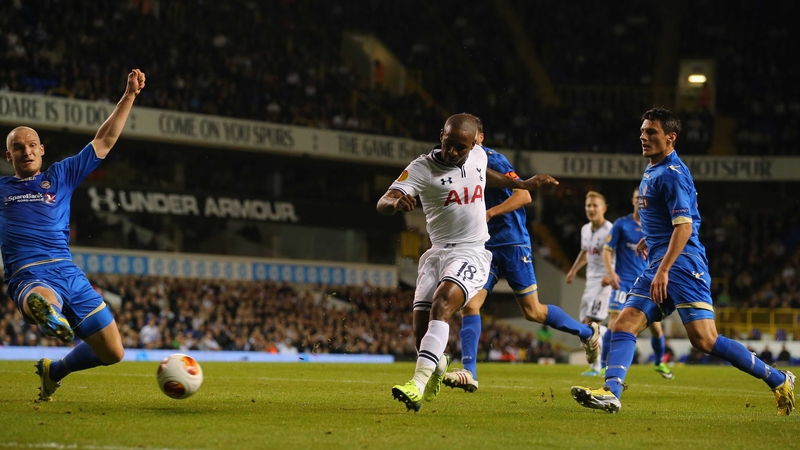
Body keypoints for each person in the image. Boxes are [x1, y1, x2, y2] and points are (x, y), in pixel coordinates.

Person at [571, 107, 795, 415]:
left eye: (652, 132)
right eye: (642, 131)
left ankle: (779, 378)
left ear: (670, 138)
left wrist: (663, 268)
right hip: (660, 261)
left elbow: (685, 226)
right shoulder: (654, 169)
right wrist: (651, 237)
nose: (643, 136)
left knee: (705, 340)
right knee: (624, 323)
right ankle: (611, 392)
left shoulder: (672, 174)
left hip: (683, 265)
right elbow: (673, 217)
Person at [376, 113, 568, 412]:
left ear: (472, 145)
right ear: (442, 135)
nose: (453, 152)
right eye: (449, 144)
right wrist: (395, 202)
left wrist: (524, 183)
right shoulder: (421, 168)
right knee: (420, 334)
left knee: (443, 304)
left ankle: (416, 385)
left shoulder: (476, 155)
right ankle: (438, 368)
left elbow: (484, 174)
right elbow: (384, 200)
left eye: (460, 148)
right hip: (437, 253)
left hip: (473, 252)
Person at [2, 69, 146, 402]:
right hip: (29, 273)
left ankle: (55, 372)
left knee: (114, 353)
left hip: (69, 272)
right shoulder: (1, 190)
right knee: (38, 297)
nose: (26, 151)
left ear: (42, 149)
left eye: (31, 145)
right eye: (17, 148)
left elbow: (104, 140)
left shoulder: (61, 176)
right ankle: (46, 311)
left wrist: (128, 96)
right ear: (8, 156)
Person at [443, 116, 600, 392]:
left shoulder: (494, 160)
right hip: (484, 247)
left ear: (479, 138)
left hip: (513, 244)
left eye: (473, 136)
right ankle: (469, 371)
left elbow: (524, 196)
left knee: (534, 312)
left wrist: (490, 213)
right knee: (471, 304)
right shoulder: (461, 166)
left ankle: (589, 333)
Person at [600, 188, 674, 379]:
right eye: (636, 199)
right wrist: (611, 273)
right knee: (614, 321)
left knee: (656, 328)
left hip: (646, 283)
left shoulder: (652, 226)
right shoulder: (621, 225)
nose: (640, 202)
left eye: (643, 199)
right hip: (623, 282)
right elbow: (607, 250)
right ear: (633, 201)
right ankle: (602, 365)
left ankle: (659, 363)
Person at [566, 191, 612, 376]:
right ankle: (614, 335)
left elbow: (620, 254)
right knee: (585, 327)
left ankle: (597, 367)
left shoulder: (611, 230)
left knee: (590, 325)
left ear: (604, 208)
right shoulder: (585, 229)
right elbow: (585, 252)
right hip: (590, 281)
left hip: (605, 281)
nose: (591, 209)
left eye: (595, 205)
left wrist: (612, 274)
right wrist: (573, 270)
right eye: (588, 206)